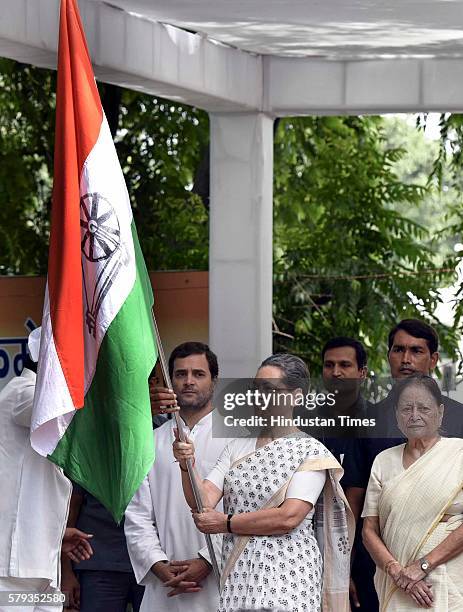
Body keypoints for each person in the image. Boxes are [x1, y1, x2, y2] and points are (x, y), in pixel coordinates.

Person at [173, 353, 355, 612]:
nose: (259, 396)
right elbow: (202, 501)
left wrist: (225, 523)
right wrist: (186, 464)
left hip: (288, 579)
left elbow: (288, 517)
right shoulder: (237, 446)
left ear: (296, 395)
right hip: (239, 573)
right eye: (255, 389)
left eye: (269, 389)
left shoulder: (310, 451)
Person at [124, 342, 234, 612]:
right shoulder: (149, 441)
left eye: (198, 374)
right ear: (170, 380)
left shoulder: (237, 437)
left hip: (222, 580)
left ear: (214, 380)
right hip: (166, 588)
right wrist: (156, 564)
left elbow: (245, 509)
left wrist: (208, 560)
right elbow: (137, 514)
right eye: (180, 374)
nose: (188, 381)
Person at [0, 327, 93, 612]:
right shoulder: (22, 393)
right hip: (14, 569)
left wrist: (55, 534)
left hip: (41, 560)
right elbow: (53, 412)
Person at [362, 374, 463, 610]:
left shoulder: (459, 454)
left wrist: (423, 566)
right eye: (406, 408)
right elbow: (369, 530)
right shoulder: (383, 461)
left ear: (440, 412)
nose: (414, 415)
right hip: (397, 584)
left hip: (450, 579)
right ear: (397, 416)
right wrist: (399, 573)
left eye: (424, 408)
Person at [320, 337, 379, 611]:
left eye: (345, 365)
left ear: (362, 374)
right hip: (312, 548)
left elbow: (355, 501)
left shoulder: (376, 424)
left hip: (364, 556)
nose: (336, 372)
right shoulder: (309, 423)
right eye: (329, 365)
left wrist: (345, 570)